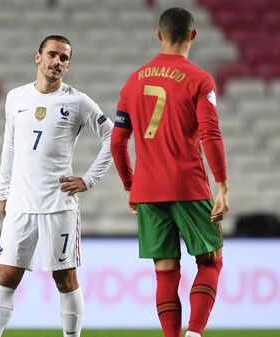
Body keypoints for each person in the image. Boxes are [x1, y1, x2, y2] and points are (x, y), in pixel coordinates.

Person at [110, 8, 229, 337]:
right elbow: (210, 134)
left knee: (165, 272)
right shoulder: (199, 79)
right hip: (188, 186)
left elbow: (118, 142)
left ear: (158, 35)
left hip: (148, 190)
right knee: (210, 261)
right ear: (193, 35)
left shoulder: (134, 81)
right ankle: (194, 333)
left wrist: (130, 184)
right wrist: (222, 185)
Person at [0, 35, 113, 337]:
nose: (58, 62)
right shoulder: (15, 97)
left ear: (68, 65)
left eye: (64, 58)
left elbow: (113, 136)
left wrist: (88, 179)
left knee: (64, 277)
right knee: (5, 275)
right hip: (20, 202)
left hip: (58, 205)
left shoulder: (77, 101)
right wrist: (2, 189)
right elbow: (10, 145)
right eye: (52, 55)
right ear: (38, 57)